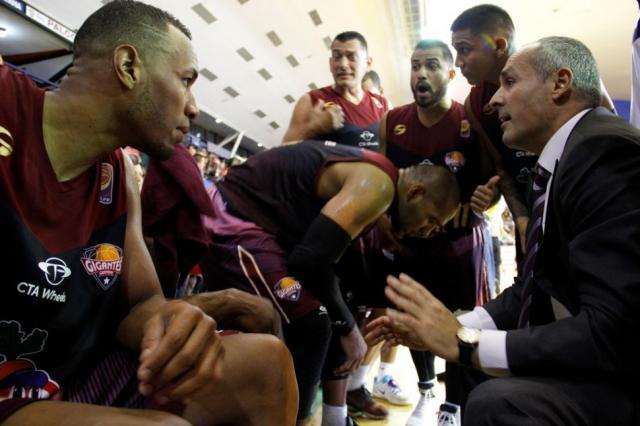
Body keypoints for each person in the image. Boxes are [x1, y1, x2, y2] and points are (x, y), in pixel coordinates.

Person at [0, 1, 298, 425]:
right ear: (128, 66)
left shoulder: (120, 175)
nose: (193, 107)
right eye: (186, 80)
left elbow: (138, 305)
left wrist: (181, 319)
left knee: (268, 364)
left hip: (65, 374)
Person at [366, 36, 640, 426]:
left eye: (509, 83)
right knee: (473, 368)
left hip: (623, 374)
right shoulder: (568, 156)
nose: (494, 100)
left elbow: (615, 330)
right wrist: (454, 328)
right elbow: (536, 285)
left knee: (496, 401)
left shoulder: (605, 153)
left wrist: (469, 344)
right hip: (600, 357)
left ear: (560, 83)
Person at [188, 139, 460, 426]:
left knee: (333, 308)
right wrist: (349, 328)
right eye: (432, 220)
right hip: (234, 215)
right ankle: (296, 420)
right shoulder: (379, 185)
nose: (427, 232)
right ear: (415, 192)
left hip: (257, 224)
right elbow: (309, 261)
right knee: (313, 321)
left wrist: (346, 320)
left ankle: (318, 415)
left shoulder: (379, 185)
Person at [377, 39, 497, 426]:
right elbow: (379, 181)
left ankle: (454, 406)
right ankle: (427, 391)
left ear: (450, 73)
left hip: (459, 244)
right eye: (415, 66)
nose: (420, 74)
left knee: (463, 323)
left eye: (430, 65)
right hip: (410, 244)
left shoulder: (469, 121)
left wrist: (489, 198)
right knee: (414, 318)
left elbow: (494, 181)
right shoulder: (392, 121)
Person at [282, 31, 389, 151]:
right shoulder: (311, 100)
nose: (343, 65)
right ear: (330, 63)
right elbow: (283, 151)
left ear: (368, 63)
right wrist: (312, 128)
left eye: (351, 57)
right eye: (337, 57)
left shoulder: (383, 105)